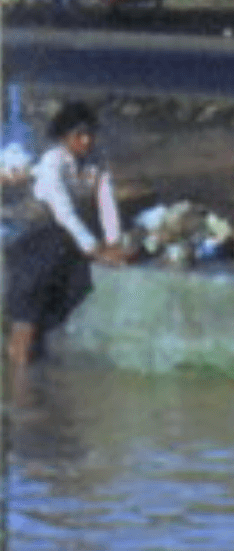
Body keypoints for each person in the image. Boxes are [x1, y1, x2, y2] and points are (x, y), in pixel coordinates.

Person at [8, 101, 132, 368]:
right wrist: (96, 249)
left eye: (90, 134)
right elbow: (65, 214)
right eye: (79, 135)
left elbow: (106, 202)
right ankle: (20, 367)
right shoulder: (53, 163)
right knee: (31, 299)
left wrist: (114, 241)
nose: (86, 141)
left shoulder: (97, 161)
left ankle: (32, 367)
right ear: (65, 137)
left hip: (68, 240)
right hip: (38, 238)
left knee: (75, 287)